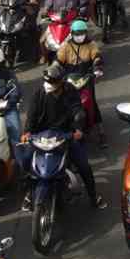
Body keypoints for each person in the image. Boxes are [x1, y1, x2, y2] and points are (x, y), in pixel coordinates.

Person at [17, 63, 107, 209]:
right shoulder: (39, 93)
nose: (49, 85)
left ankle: (93, 196)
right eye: (48, 82)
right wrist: (27, 132)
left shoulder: (70, 91)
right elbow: (31, 115)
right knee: (26, 161)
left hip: (64, 135)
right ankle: (30, 192)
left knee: (83, 165)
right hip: (41, 136)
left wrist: (78, 128)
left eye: (53, 82)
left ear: (61, 82)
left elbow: (77, 109)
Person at [57, 19, 107, 147]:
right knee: (62, 103)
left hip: (86, 78)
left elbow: (97, 57)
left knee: (93, 103)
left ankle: (101, 132)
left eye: (82, 33)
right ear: (72, 33)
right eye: (77, 33)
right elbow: (58, 61)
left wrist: (97, 67)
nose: (79, 36)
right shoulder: (66, 46)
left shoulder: (91, 45)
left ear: (86, 33)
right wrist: (53, 71)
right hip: (69, 80)